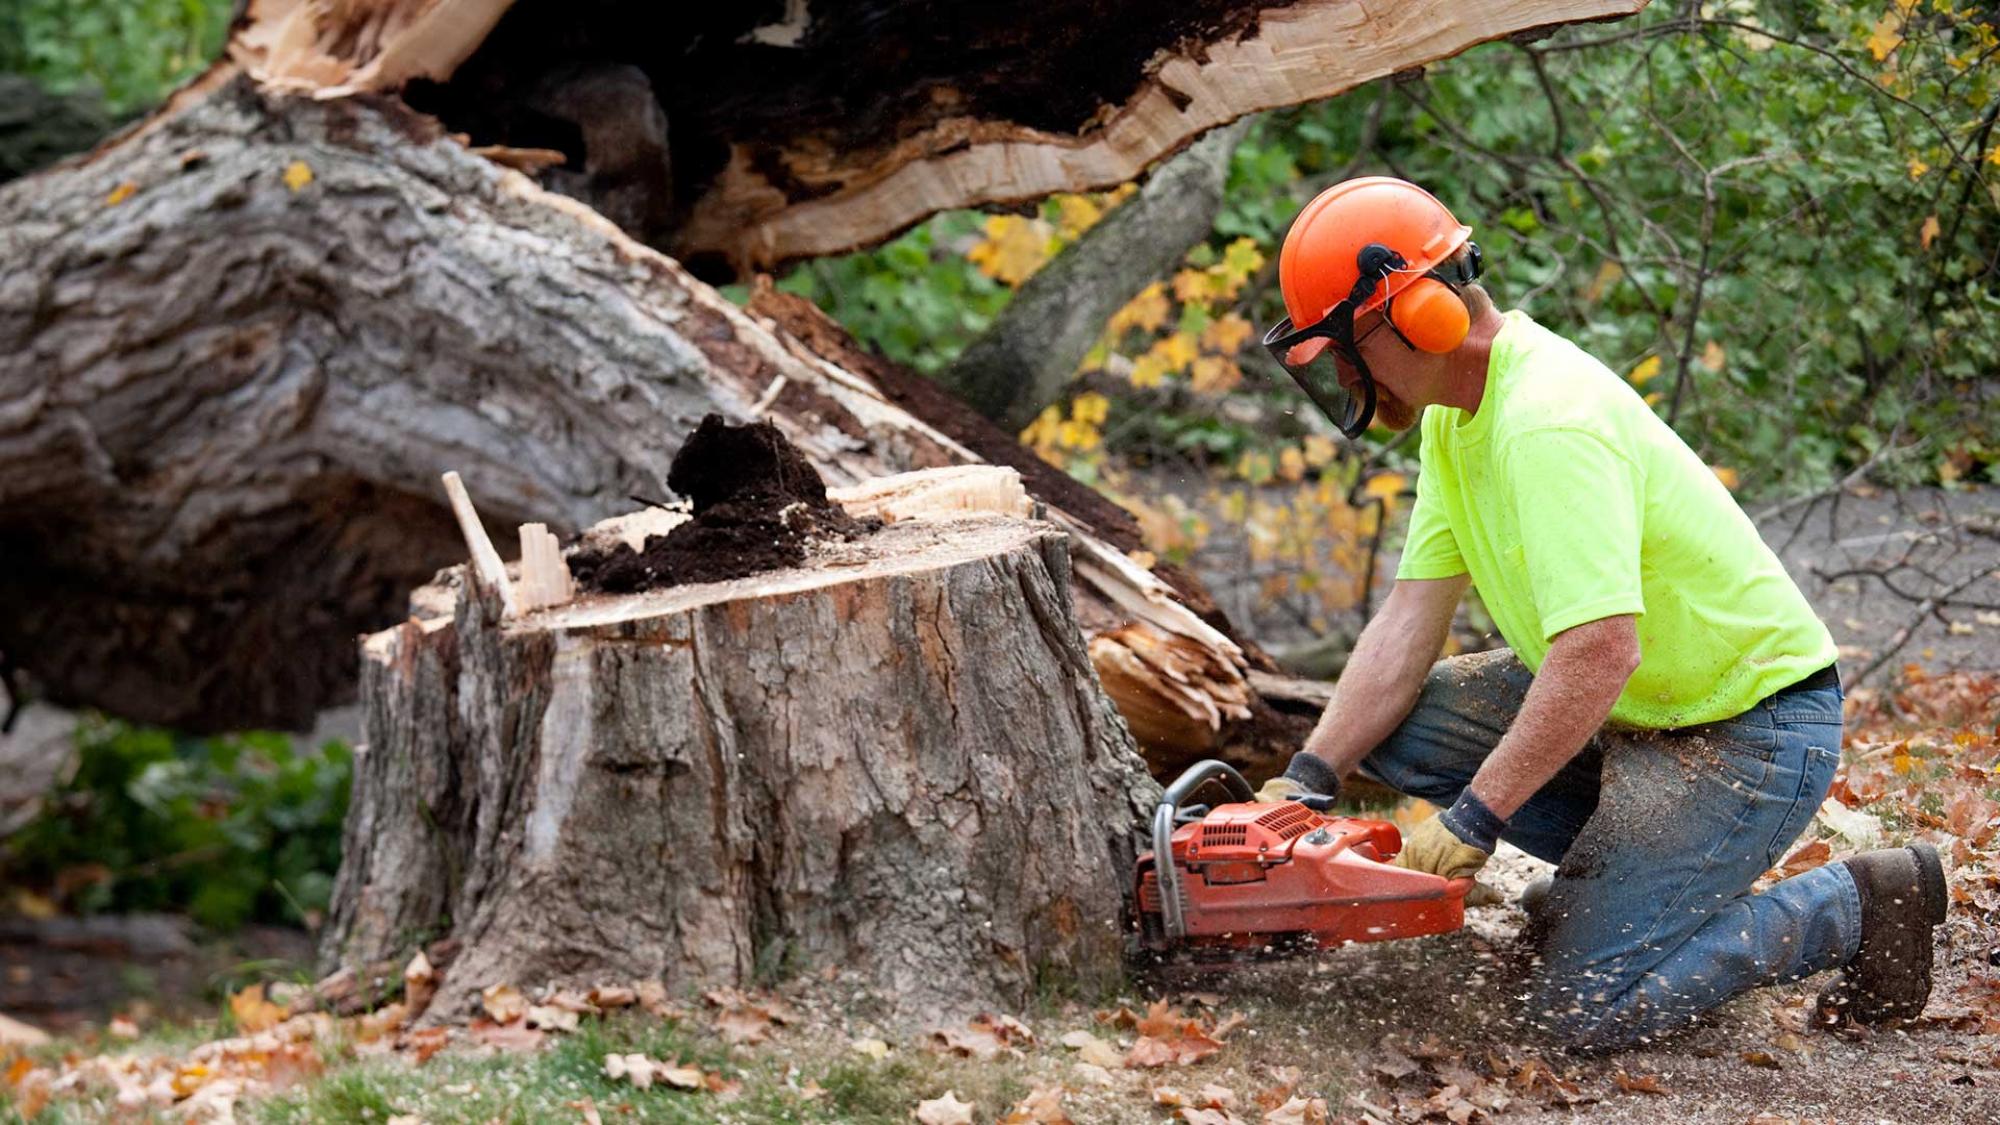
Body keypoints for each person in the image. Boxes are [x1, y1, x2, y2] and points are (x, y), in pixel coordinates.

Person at [1252, 176, 1947, 1050]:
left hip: (1748, 730)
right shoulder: (1452, 415)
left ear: (1420, 315)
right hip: (1638, 712)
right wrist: (1309, 774)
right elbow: (1406, 621)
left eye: (1349, 350)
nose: (1347, 377)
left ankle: (1856, 904)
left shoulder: (1546, 421)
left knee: (1572, 1010)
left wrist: (1475, 816)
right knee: (1407, 727)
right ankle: (1626, 885)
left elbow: (1598, 651)